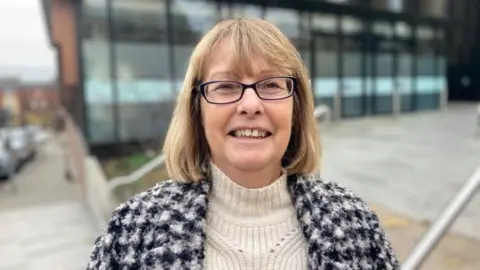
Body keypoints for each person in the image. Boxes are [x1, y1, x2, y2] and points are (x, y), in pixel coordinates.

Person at [87, 18, 399, 269]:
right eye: (225, 86)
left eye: (271, 84)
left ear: (296, 108)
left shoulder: (355, 224)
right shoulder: (133, 231)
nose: (250, 104)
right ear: (197, 109)